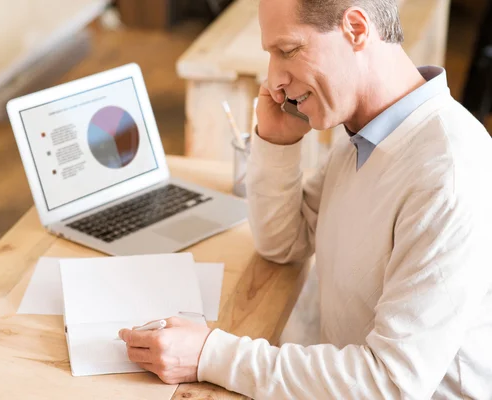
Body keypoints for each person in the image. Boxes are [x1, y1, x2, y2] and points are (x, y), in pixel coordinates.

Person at [119, 0, 492, 398]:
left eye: (288, 51)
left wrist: (211, 354)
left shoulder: (446, 175)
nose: (274, 81)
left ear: (356, 29)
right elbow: (284, 243)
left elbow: (391, 383)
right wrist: (278, 143)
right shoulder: (367, 133)